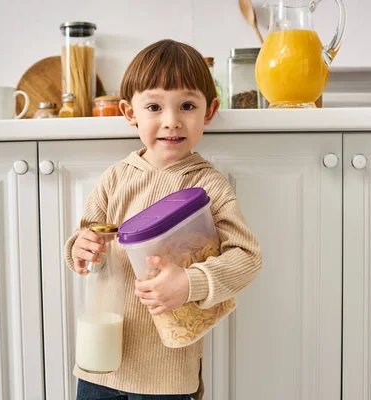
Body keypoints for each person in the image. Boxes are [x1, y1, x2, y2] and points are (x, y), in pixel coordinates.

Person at [65, 39, 262, 400]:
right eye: (154, 106)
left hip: (165, 376)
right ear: (129, 113)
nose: (171, 121)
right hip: (100, 361)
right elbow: (85, 235)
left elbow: (246, 258)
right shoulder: (115, 178)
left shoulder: (208, 186)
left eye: (187, 105)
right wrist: (80, 247)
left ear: (209, 110)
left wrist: (190, 283)